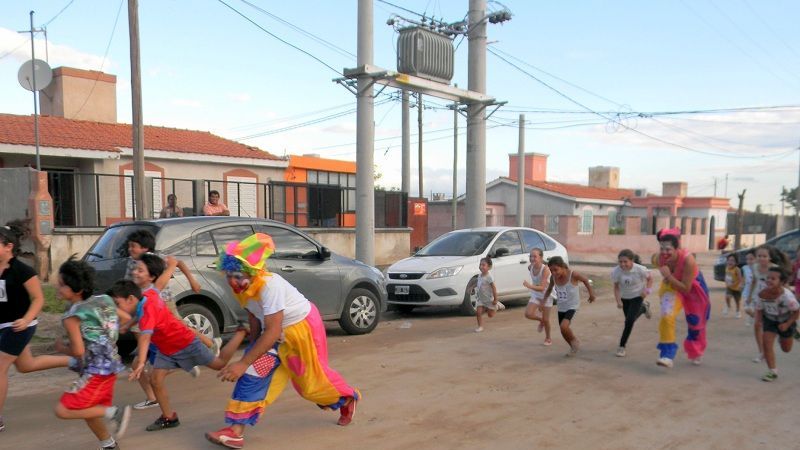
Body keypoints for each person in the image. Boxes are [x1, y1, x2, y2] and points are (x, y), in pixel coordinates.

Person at [205, 233, 360, 449]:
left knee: (309, 385)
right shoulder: (242, 287)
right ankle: (235, 431)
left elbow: (272, 330)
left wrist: (242, 362)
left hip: (302, 330)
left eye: (238, 275)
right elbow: (256, 318)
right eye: (229, 274)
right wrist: (251, 350)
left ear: (253, 272)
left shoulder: (270, 286)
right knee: (252, 376)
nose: (232, 280)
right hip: (274, 338)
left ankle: (346, 398)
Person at [119, 255, 246, 432]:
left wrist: (140, 363)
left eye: (140, 270)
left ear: (151, 277)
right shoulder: (152, 291)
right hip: (166, 348)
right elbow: (171, 266)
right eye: (135, 269)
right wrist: (128, 324)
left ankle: (240, 333)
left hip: (184, 341)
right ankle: (169, 417)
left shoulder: (149, 301)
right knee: (156, 380)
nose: (134, 272)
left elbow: (146, 336)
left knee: (219, 365)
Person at [124, 229, 208, 411]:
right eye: (129, 246)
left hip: (162, 303)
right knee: (156, 345)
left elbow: (178, 263)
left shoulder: (153, 260)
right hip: (146, 306)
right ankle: (154, 389)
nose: (130, 249)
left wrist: (192, 281)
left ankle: (199, 351)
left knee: (175, 332)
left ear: (145, 248)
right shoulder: (134, 262)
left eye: (133, 246)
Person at [53, 258, 131, 450]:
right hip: (111, 366)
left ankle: (114, 413)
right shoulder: (103, 299)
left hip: (96, 372)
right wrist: (110, 334)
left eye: (62, 285)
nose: (58, 287)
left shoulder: (72, 317)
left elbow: (79, 351)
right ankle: (108, 444)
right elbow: (127, 317)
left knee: (62, 410)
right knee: (89, 411)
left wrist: (63, 350)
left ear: (77, 290)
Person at [0, 220, 71, 432]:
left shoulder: (22, 271)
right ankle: (74, 360)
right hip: (2, 325)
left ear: (8, 246)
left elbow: (39, 299)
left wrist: (26, 318)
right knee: (25, 366)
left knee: (0, 367)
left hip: (19, 325)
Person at [654, 228, 710, 368]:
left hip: (693, 290)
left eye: (668, 249)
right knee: (667, 317)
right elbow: (653, 260)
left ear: (677, 248)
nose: (664, 253)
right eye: (662, 249)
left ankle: (696, 351)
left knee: (695, 323)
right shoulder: (659, 257)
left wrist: (668, 276)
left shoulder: (688, 260)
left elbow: (686, 288)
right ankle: (667, 355)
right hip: (672, 289)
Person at [542, 256, 595, 357]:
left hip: (572, 306)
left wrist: (591, 294)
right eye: (551, 270)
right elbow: (549, 289)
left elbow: (585, 280)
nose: (553, 272)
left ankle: (575, 341)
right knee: (563, 330)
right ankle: (572, 346)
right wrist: (543, 302)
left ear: (562, 267)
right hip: (561, 306)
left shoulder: (573, 274)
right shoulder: (553, 278)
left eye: (556, 270)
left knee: (564, 326)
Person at [746, 245, 791, 363]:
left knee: (775, 323)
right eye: (759, 256)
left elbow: (782, 284)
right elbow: (754, 281)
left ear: (770, 257)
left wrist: (788, 297)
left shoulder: (775, 269)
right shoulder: (755, 267)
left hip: (774, 300)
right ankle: (762, 352)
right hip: (759, 298)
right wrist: (749, 297)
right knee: (757, 325)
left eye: (764, 256)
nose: (761, 258)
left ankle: (784, 335)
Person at [754, 267, 799, 382]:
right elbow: (759, 309)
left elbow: (797, 312)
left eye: (773, 279)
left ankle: (793, 332)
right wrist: (758, 321)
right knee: (767, 343)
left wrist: (788, 324)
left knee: (786, 349)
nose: (769, 280)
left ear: (782, 282)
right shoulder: (762, 294)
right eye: (767, 278)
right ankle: (772, 371)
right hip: (769, 320)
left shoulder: (788, 297)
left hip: (785, 321)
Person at [611, 249, 653, 357]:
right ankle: (644, 308)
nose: (623, 264)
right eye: (620, 262)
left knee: (629, 321)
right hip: (625, 298)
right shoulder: (616, 271)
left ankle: (622, 346)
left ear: (632, 261)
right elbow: (616, 287)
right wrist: (618, 301)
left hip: (638, 296)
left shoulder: (639, 269)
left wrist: (647, 291)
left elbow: (650, 279)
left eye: (625, 261)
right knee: (630, 320)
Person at [523, 248, 553, 345]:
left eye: (535, 256)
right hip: (536, 294)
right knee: (528, 314)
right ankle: (541, 320)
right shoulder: (530, 267)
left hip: (546, 296)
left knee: (547, 319)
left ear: (541, 257)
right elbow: (537, 287)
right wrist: (532, 287)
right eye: (530, 256)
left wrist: (529, 286)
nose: (532, 258)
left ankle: (548, 338)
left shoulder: (545, 269)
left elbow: (542, 287)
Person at [474, 256, 499, 333]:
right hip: (480, 299)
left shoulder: (489, 277)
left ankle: (495, 307)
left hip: (489, 299)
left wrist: (495, 299)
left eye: (483, 265)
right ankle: (480, 326)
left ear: (489, 267)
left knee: (490, 315)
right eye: (480, 264)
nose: (481, 266)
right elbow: (478, 284)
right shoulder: (479, 275)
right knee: (478, 313)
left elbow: (494, 288)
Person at [723, 254, 743, 318]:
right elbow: (726, 275)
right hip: (729, 287)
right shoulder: (727, 268)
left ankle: (738, 312)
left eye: (732, 261)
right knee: (727, 297)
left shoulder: (737, 269)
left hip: (737, 288)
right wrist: (726, 281)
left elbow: (740, 279)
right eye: (729, 260)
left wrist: (738, 284)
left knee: (737, 301)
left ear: (736, 262)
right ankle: (728, 306)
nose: (730, 262)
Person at [741, 250, 756, 326]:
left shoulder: (758, 269)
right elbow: (744, 278)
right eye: (747, 259)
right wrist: (741, 284)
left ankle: (753, 319)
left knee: (754, 307)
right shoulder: (745, 268)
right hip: (747, 291)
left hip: (756, 292)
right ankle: (752, 317)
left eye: (751, 259)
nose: (749, 261)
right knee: (747, 308)